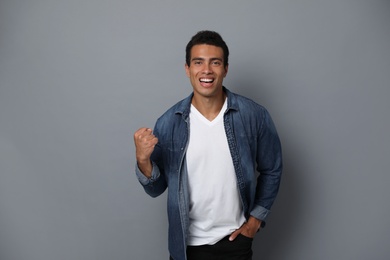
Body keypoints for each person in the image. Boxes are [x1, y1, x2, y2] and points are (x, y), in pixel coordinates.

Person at [134, 30, 283, 260]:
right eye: (198, 62)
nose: (206, 70)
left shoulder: (253, 116)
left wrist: (255, 221)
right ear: (187, 69)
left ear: (225, 68)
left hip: (236, 243)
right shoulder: (169, 123)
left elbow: (272, 168)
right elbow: (156, 188)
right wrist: (143, 160)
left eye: (215, 62)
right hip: (186, 247)